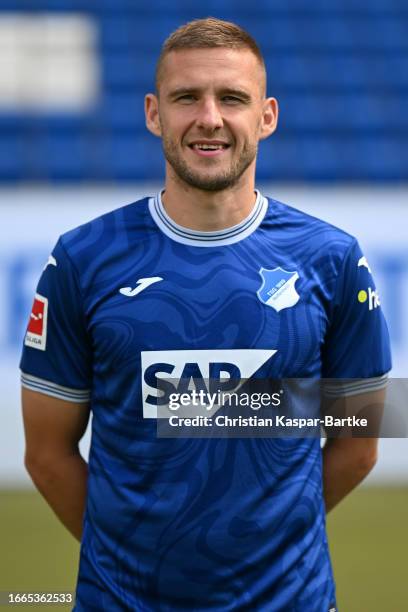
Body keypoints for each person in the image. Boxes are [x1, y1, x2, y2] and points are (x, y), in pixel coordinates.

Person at [21, 17, 391, 612]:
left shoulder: (334, 258)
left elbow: (361, 437)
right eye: (186, 97)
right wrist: (128, 567)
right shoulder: (82, 259)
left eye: (233, 98)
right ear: (153, 113)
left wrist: (270, 543)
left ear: (267, 116)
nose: (210, 117)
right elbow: (45, 451)